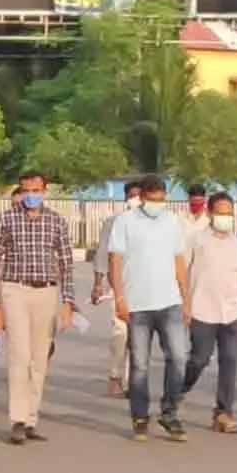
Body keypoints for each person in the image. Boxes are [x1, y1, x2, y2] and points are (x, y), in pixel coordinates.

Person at [0, 170, 76, 444]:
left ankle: (31, 418)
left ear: (44, 191)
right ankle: (17, 419)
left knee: (39, 358)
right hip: (15, 289)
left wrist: (69, 302)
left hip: (46, 290)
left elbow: (66, 261)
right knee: (19, 355)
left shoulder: (56, 221)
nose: (31, 195)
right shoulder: (7, 218)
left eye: (36, 190)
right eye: (26, 190)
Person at [107, 174, 189, 442]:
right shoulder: (126, 222)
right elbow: (116, 260)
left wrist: (186, 297)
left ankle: (169, 411)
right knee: (140, 365)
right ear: (141, 198)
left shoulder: (172, 222)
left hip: (170, 301)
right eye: (152, 200)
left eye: (161, 200)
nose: (157, 204)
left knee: (178, 358)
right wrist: (119, 297)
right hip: (138, 304)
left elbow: (178, 260)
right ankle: (140, 416)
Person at [184, 191, 237, 434]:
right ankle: (180, 390)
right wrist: (184, 304)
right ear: (210, 213)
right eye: (220, 213)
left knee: (230, 361)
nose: (225, 217)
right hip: (202, 308)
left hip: (232, 311)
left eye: (228, 213)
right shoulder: (196, 240)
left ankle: (223, 412)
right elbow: (182, 272)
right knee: (199, 358)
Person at [91, 179, 142, 397]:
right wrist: (97, 283)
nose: (136, 199)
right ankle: (115, 377)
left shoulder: (153, 224)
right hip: (119, 286)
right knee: (120, 334)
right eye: (132, 195)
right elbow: (103, 253)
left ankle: (135, 382)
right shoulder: (114, 222)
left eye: (139, 195)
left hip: (145, 287)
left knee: (139, 337)